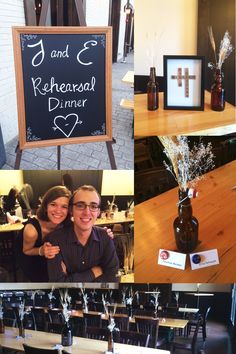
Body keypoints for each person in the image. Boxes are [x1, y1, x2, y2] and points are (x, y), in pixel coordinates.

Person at [17, 185, 114, 282]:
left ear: (69, 210)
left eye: (64, 206)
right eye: (53, 204)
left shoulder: (66, 223)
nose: (58, 210)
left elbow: (84, 225)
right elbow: (26, 251)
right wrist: (41, 250)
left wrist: (103, 234)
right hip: (33, 260)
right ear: (45, 206)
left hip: (51, 258)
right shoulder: (31, 230)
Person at [47, 185, 119, 282]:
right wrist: (94, 272)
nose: (87, 212)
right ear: (71, 210)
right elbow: (58, 283)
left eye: (93, 206)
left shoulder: (105, 237)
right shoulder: (55, 240)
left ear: (98, 212)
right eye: (80, 205)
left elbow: (112, 278)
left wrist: (71, 279)